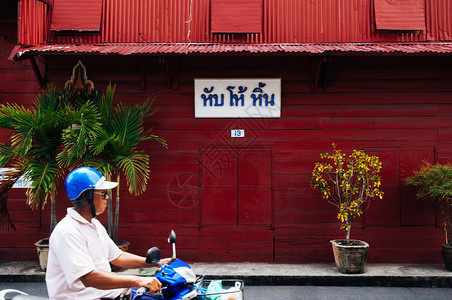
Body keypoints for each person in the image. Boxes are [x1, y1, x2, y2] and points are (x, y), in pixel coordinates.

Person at [45, 167, 170, 300]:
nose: (108, 197)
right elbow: (89, 278)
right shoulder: (68, 232)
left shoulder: (94, 225)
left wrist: (156, 263)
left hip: (109, 294)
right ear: (86, 196)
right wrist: (137, 280)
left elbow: (118, 257)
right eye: (103, 193)